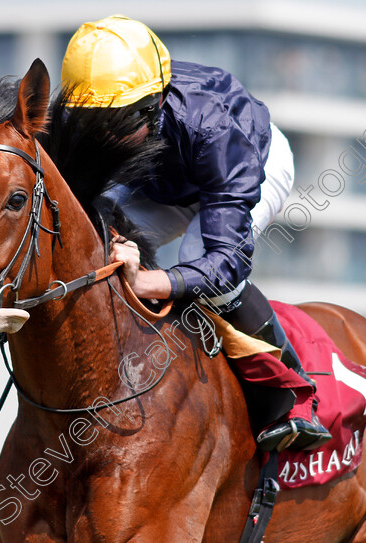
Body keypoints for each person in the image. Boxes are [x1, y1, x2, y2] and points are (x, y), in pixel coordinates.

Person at [61, 15, 330, 453]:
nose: (104, 138)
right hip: (161, 181)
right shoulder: (93, 109)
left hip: (248, 166)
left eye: (119, 122)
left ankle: (294, 399)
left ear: (153, 105)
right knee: (95, 242)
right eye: (94, 123)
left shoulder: (216, 130)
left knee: (196, 261)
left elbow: (227, 260)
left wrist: (154, 280)